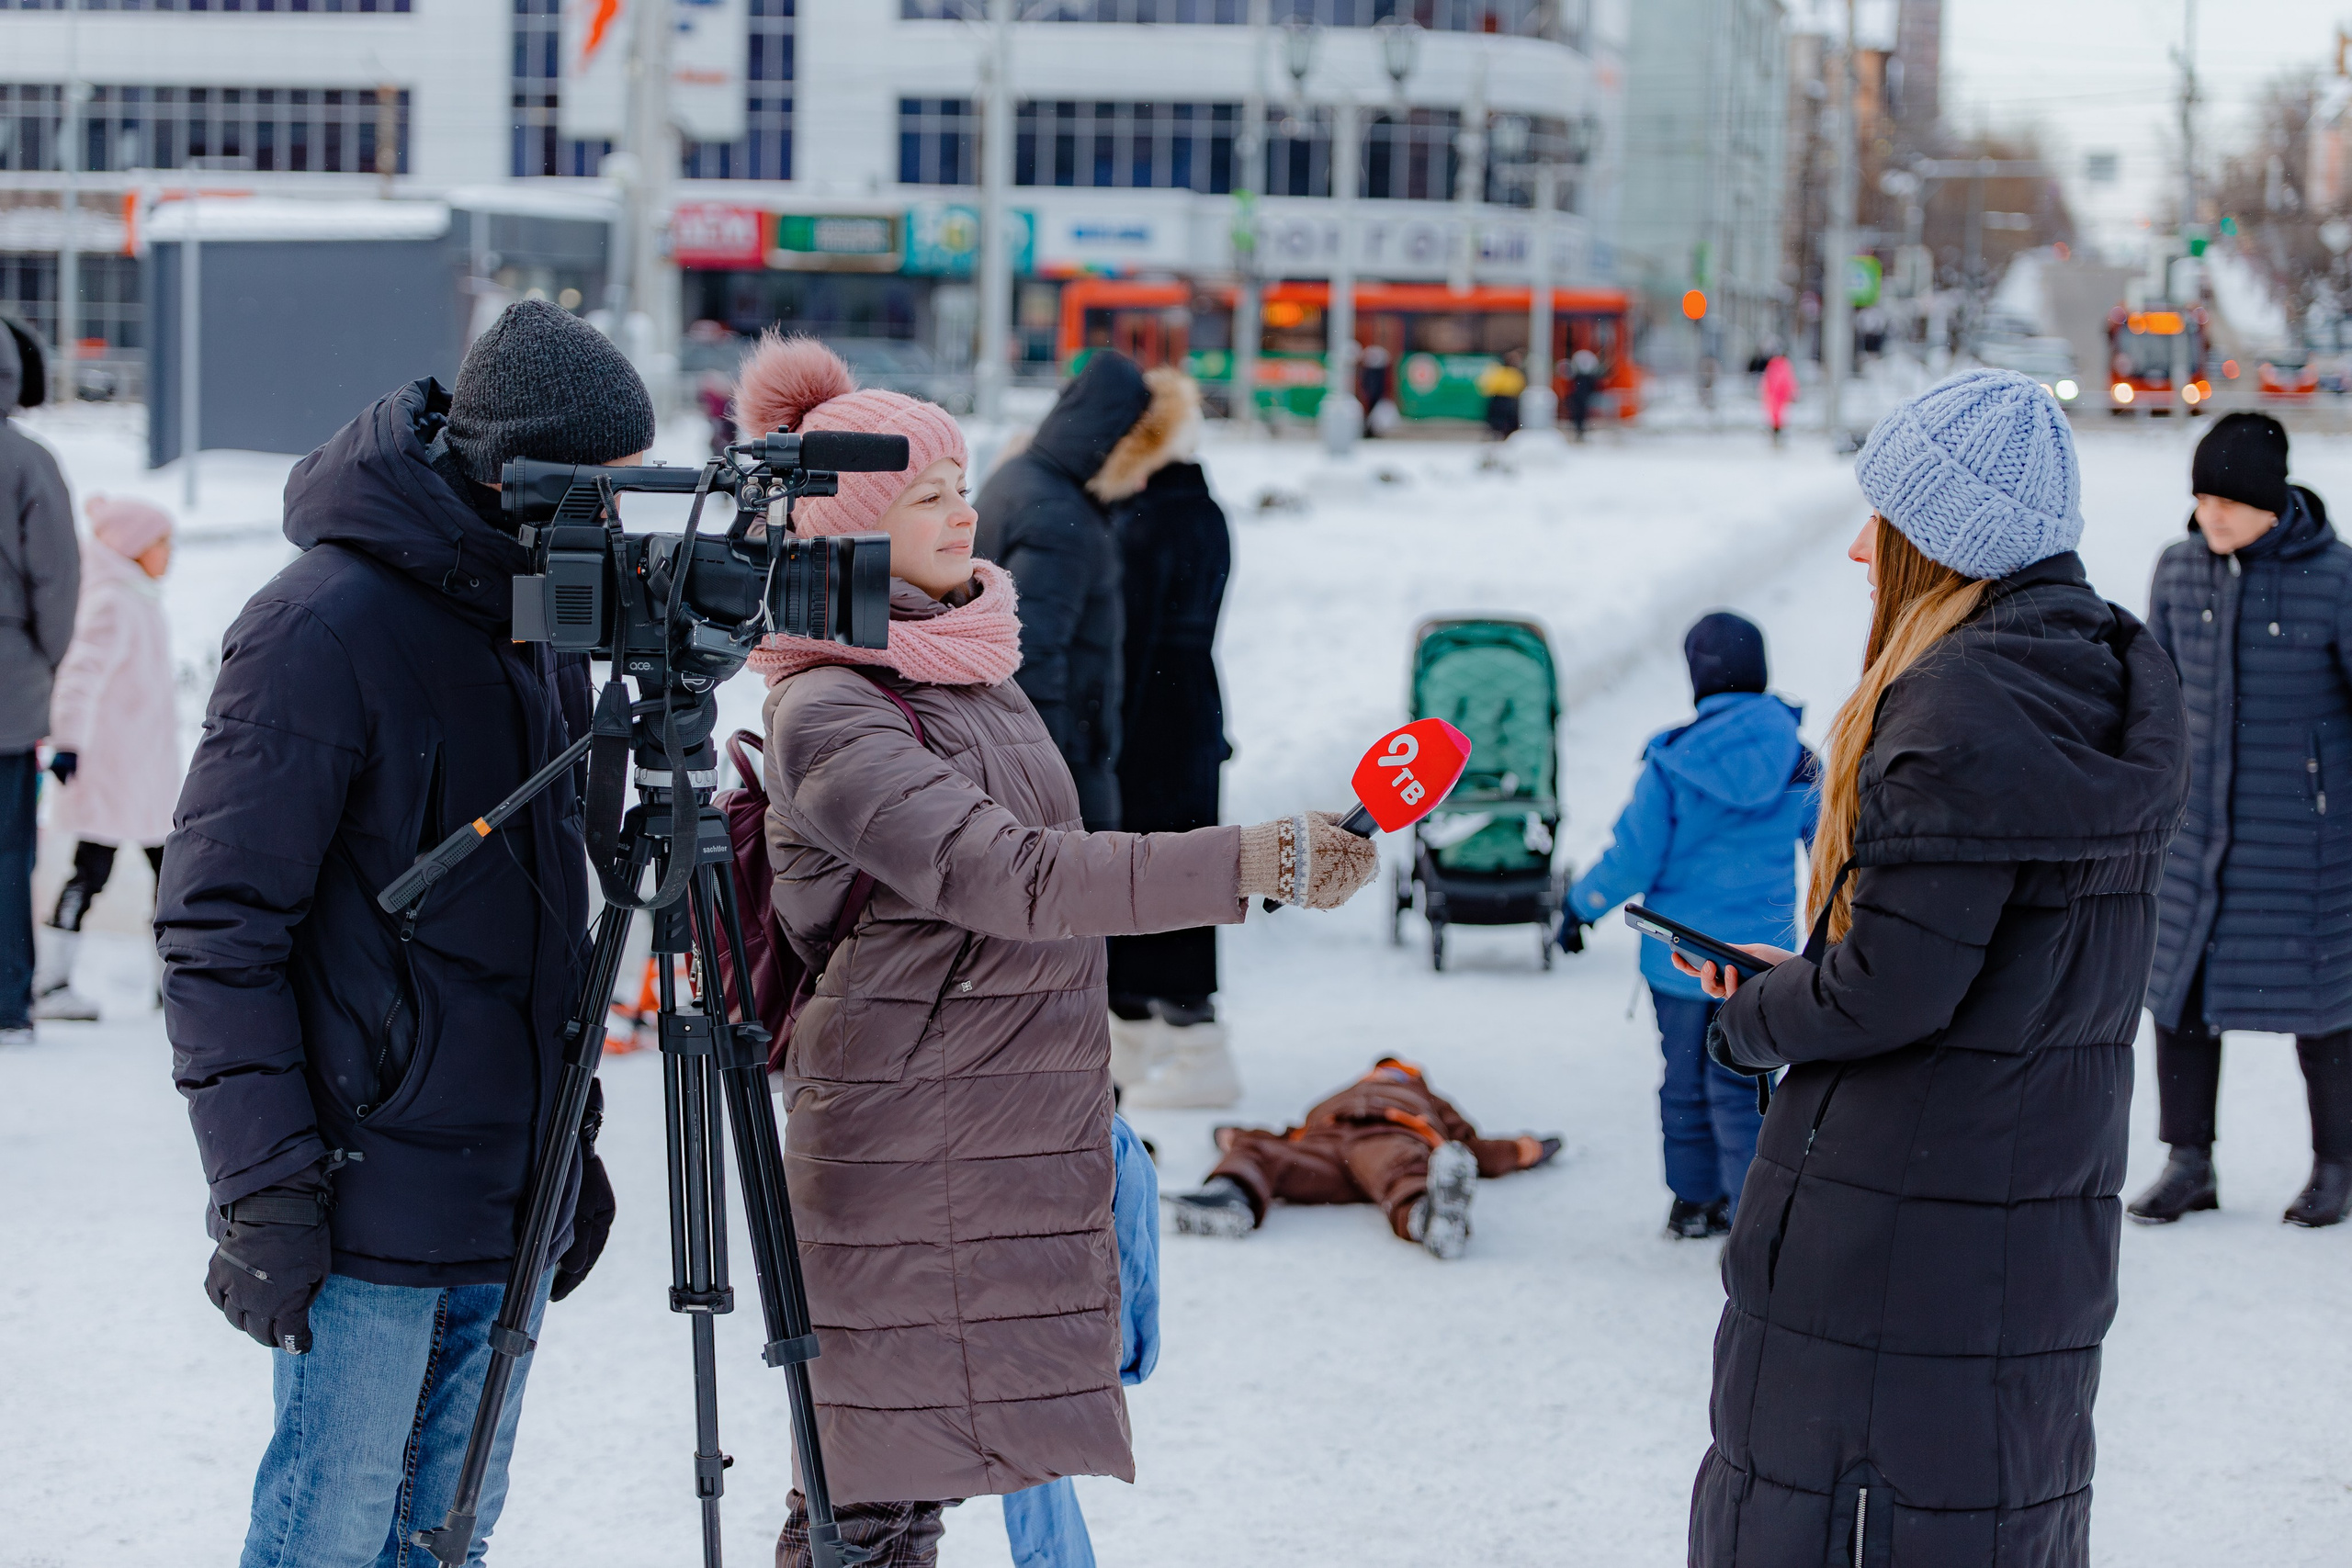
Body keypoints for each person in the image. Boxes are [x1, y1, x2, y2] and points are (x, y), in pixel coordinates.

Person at [739, 333, 1376, 1568]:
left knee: (903, 1483)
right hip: (904, 1145)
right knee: (868, 1494)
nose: (965, 511)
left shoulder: (969, 667)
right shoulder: (831, 707)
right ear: (853, 525)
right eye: (926, 494)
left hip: (994, 1125)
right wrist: (1249, 861)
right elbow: (1016, 878)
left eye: (964, 482)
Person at [1683, 369, 2188, 1567]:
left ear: (1942, 547)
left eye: (1885, 522)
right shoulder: (2093, 680)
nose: (1861, 549)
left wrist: (1752, 1012)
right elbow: (1964, 950)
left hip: (1898, 1232)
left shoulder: (1959, 711)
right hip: (2024, 1224)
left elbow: (1892, 991)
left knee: (1847, 1517)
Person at [156, 299, 631, 1566]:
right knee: (330, 1539)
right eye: (605, 487)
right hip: (365, 1194)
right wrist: (261, 1187)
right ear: (518, 469)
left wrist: (565, 1140)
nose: (622, 520)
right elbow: (215, 924)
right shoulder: (319, 625)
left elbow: (550, 917)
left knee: (447, 1541)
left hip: (505, 1191)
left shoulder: (543, 621)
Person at [2137, 412, 2352, 1228]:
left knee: (2326, 1012)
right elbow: (2153, 696)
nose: (2211, 514)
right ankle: (2189, 1162)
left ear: (2272, 502)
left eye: (2228, 500)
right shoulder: (2180, 569)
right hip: (2196, 838)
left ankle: (2337, 1164)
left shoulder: (2335, 579)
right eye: (2201, 498)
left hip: (2308, 845)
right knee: (2180, 1000)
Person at [1557, 611, 1816, 1238]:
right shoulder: (1799, 758)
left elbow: (1633, 856)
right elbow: (1834, 847)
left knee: (1684, 1078)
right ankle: (1753, 1204)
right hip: (1760, 959)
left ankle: (1694, 1201)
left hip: (1677, 959)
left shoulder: (1673, 763)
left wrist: (1579, 906)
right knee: (1746, 1080)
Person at [1100, 373, 1241, 1109]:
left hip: (1153, 715)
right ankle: (1147, 1036)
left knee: (1159, 869)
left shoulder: (1151, 516)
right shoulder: (1202, 507)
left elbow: (1132, 637)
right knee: (1184, 865)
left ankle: (1196, 1044)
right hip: (1191, 705)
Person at [973, 349, 1169, 829]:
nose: (1143, 480)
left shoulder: (1025, 477)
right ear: (1112, 445)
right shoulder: (1063, 519)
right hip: (1064, 760)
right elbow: (1032, 656)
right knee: (1085, 893)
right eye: (1138, 459)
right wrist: (1050, 792)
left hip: (1034, 743)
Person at [1159, 1056, 1562, 1260]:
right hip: (1324, 1148)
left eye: (1399, 1072)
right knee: (1263, 1154)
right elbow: (1288, 1134)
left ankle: (1430, 1218)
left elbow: (1472, 1146)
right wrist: (1240, 1138)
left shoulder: (1425, 1098)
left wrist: (1526, 1149)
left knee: (1401, 1166)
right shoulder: (1340, 1095)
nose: (1388, 1075)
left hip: (1386, 1137)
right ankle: (1230, 1198)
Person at [35, 494, 179, 1021]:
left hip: (141, 776)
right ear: (135, 548)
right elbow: (78, 678)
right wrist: (68, 745)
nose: (171, 554)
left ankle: (175, 984)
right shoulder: (113, 602)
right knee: (94, 873)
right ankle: (52, 983)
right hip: (114, 774)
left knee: (171, 882)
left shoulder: (135, 598)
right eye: (163, 544)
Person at [0, 316, 79, 1046]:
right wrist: (38, 663)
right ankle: (6, 1000)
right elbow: (56, 583)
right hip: (7, 692)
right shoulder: (27, 462)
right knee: (6, 853)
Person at [1477, 350, 1526, 440]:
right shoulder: (1501, 372)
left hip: (1506, 400)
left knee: (1504, 422)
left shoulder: (1512, 373)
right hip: (1500, 400)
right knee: (1498, 421)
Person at [1759, 351, 1798, 446]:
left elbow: (1767, 382)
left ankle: (1776, 435)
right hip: (1779, 397)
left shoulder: (1773, 366)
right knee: (1779, 418)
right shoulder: (1784, 366)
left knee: (1776, 418)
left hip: (1775, 397)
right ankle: (1777, 435)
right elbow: (1789, 381)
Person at [1565, 346, 1601, 441]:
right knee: (1580, 414)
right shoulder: (1587, 379)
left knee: (1579, 414)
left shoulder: (1579, 379)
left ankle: (1580, 431)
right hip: (1582, 397)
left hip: (1579, 397)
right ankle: (1580, 431)